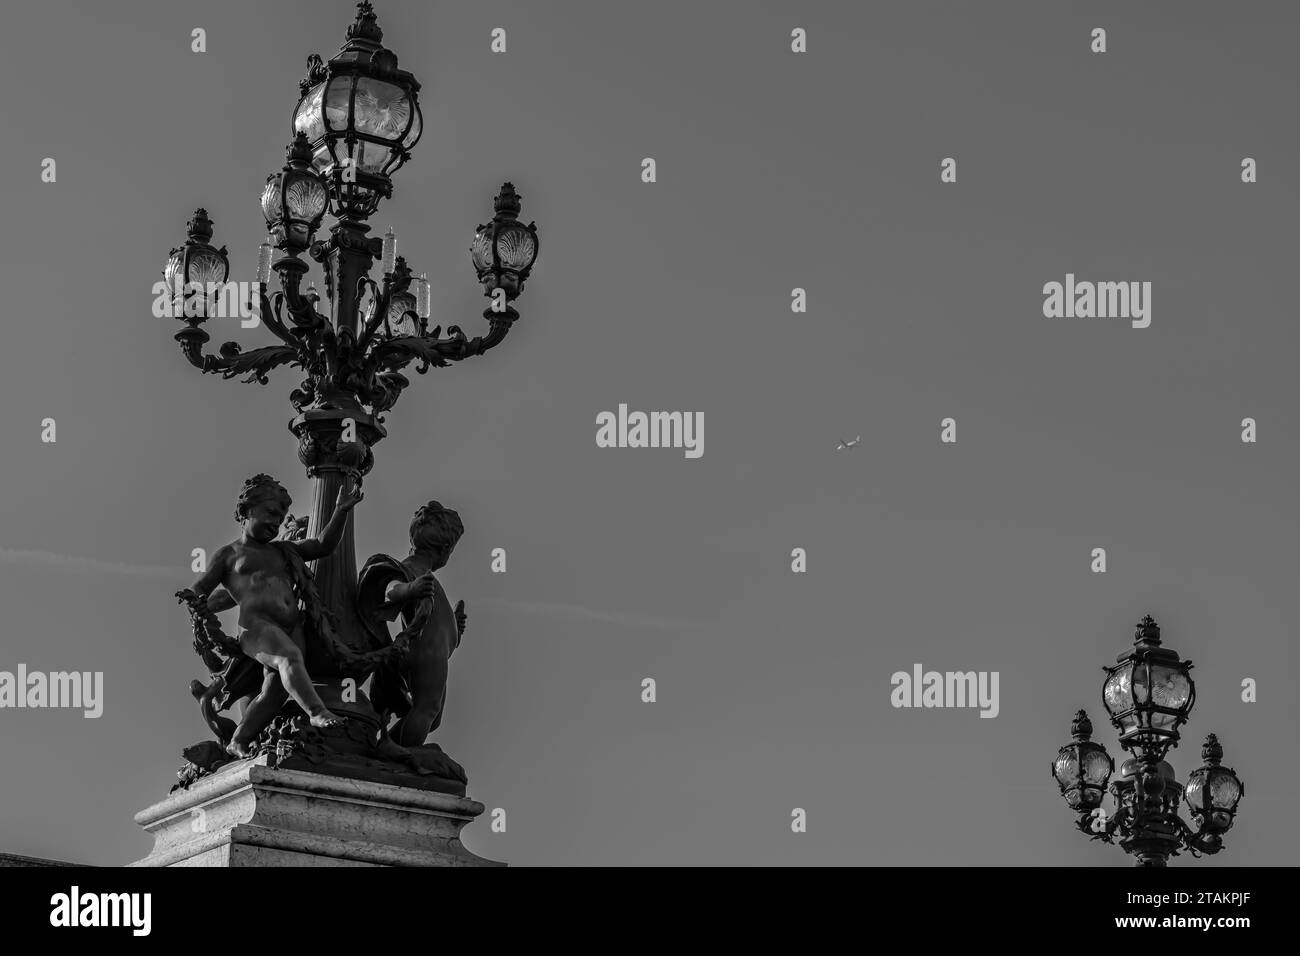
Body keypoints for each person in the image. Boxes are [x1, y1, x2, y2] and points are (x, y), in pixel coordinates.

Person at [180, 473, 364, 757]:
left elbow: (323, 545)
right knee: (289, 657)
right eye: (269, 513)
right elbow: (200, 588)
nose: (275, 522)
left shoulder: (283, 550)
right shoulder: (229, 555)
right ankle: (317, 711)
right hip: (256, 628)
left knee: (275, 693)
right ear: (246, 510)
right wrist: (195, 602)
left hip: (291, 627)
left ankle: (238, 740)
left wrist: (341, 510)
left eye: (280, 517)